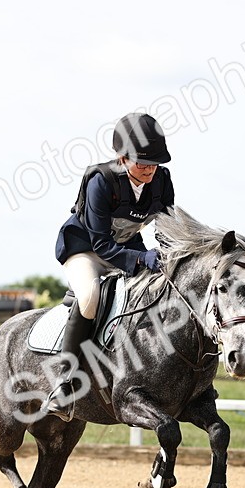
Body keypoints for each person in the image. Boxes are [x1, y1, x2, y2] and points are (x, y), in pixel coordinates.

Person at [46, 112, 176, 419]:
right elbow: (101, 243)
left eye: (154, 164)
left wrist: (168, 254)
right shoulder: (101, 181)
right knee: (90, 297)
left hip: (128, 248)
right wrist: (142, 258)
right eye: (142, 164)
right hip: (86, 251)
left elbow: (166, 226)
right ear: (121, 157)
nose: (149, 170)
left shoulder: (161, 180)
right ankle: (65, 383)